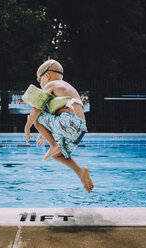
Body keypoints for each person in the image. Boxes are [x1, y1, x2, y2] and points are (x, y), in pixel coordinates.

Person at [24, 59, 94, 193]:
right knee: (58, 155)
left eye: (39, 80)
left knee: (33, 116)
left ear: (46, 76)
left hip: (68, 123)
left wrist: (27, 127)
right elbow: (60, 115)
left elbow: (37, 109)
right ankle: (80, 171)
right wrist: (45, 132)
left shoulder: (52, 84)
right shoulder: (67, 87)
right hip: (79, 130)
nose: (40, 84)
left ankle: (53, 145)